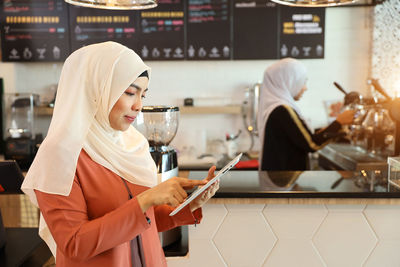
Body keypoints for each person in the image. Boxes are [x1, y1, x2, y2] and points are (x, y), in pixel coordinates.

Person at [21, 41, 219, 266]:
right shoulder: (59, 154)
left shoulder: (132, 144)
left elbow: (143, 222)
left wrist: (189, 204)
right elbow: (74, 243)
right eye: (129, 92)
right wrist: (146, 199)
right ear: (97, 90)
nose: (138, 105)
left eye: (143, 95)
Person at [257, 58, 355, 171]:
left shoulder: (276, 108)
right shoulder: (282, 110)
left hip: (280, 180)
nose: (305, 88)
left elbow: (301, 136)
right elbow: (311, 144)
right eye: (302, 82)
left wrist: (336, 127)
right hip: (284, 182)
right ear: (288, 82)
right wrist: (339, 122)